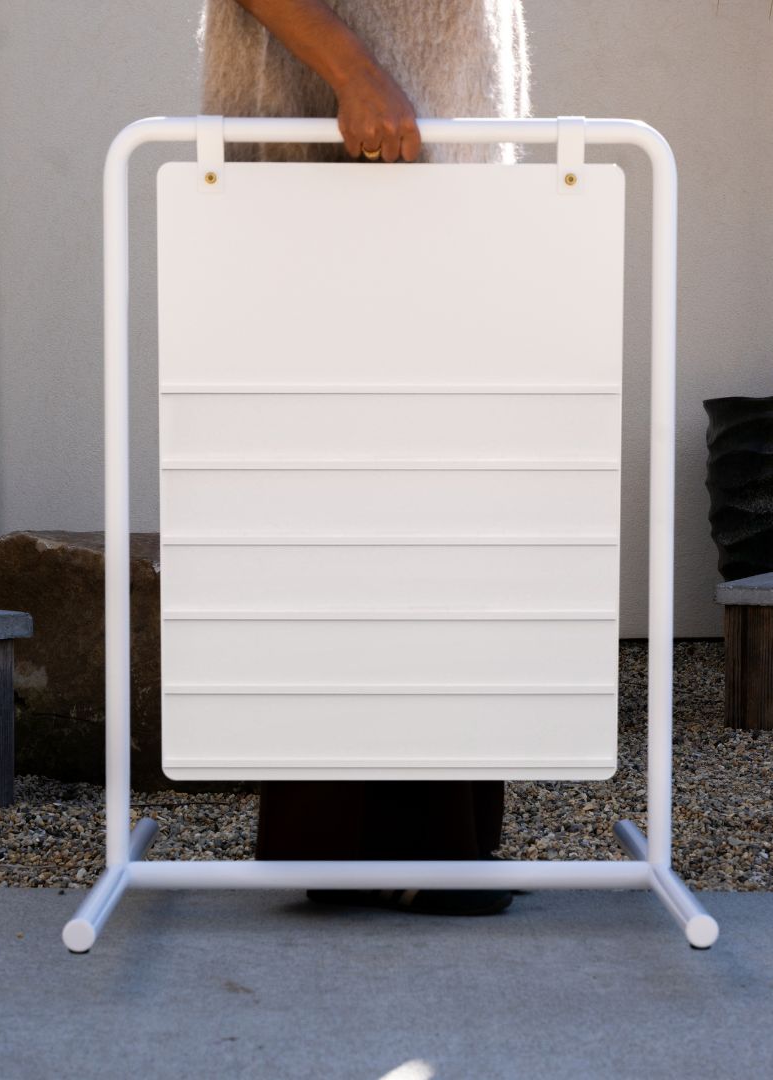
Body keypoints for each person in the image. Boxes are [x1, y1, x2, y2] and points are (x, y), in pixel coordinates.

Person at [197, 0, 531, 915]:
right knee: (366, 513)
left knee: (434, 511)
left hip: (422, 174)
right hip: (346, 160)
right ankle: (393, 845)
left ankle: (400, 843)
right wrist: (353, 72)